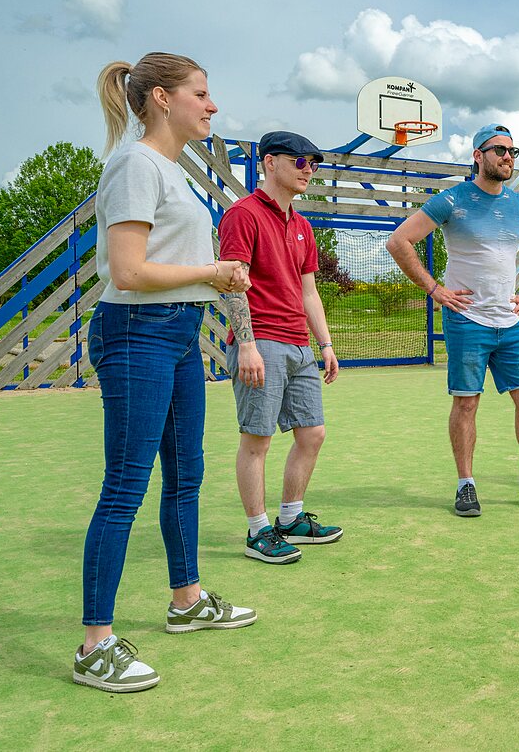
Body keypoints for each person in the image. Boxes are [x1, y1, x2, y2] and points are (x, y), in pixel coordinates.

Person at [76, 53, 256, 693]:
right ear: (160, 98)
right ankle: (95, 643)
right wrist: (212, 271)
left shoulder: (174, 172)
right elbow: (127, 272)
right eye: (201, 94)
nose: (211, 105)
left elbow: (173, 262)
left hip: (180, 333)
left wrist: (216, 276)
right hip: (136, 332)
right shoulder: (134, 164)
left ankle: (187, 599)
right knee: (125, 484)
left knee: (186, 475)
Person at [386, 124, 519, 517]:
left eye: (513, 151)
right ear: (478, 156)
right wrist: (435, 289)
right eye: (500, 150)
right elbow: (398, 241)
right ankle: (465, 485)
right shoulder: (452, 200)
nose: (508, 157)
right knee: (467, 402)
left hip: (512, 323)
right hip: (467, 320)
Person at [219, 131, 342, 565]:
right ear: (270, 163)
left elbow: (309, 292)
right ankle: (257, 532)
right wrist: (247, 345)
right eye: (301, 161)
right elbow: (231, 283)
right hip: (261, 343)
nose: (309, 169)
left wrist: (324, 344)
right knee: (258, 440)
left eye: (314, 162)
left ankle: (290, 519)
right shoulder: (243, 215)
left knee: (313, 433)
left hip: (298, 344)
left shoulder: (303, 226)